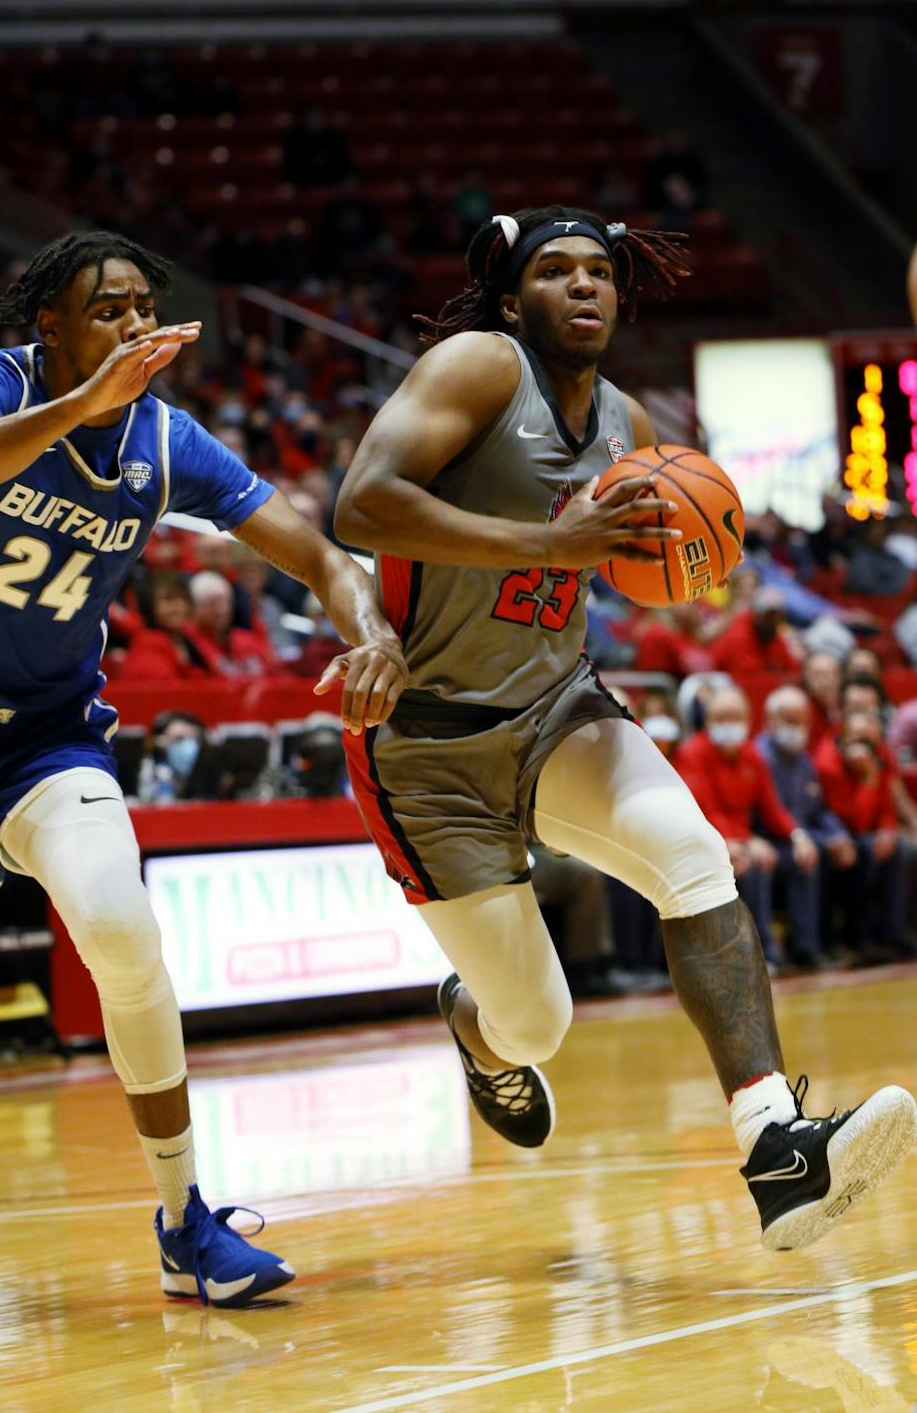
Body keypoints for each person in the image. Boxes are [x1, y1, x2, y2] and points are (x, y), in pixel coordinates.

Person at [334, 204, 916, 1251]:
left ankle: (775, 1145)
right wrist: (548, 548)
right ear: (514, 300)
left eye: (598, 270)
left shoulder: (629, 426)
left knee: (695, 858)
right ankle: (474, 1023)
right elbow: (363, 506)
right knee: (536, 1025)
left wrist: (681, 572)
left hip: (557, 709)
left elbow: (644, 572)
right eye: (554, 271)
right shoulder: (474, 366)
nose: (583, 285)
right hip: (428, 746)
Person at [0, 230, 408, 1307]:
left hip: (43, 734)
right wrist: (78, 407)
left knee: (122, 927)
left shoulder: (169, 440)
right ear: (50, 326)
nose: (136, 326)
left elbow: (322, 554)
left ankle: (185, 1221)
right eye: (109, 308)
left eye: (146, 306)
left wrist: (368, 629)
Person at [674, 685, 806, 965]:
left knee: (803, 857)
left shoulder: (751, 755)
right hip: (707, 842)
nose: (728, 724)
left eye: (735, 717)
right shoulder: (692, 753)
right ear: (707, 721)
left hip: (741, 840)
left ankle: (807, 947)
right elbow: (703, 812)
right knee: (753, 865)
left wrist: (798, 836)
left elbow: (772, 809)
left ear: (747, 720)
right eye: (721, 718)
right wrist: (741, 842)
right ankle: (758, 956)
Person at [755, 686, 855, 968]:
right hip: (770, 838)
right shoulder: (761, 756)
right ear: (769, 720)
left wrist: (837, 834)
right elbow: (770, 814)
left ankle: (837, 940)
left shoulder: (803, 760)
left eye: (800, 720)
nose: (795, 727)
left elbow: (818, 809)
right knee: (808, 858)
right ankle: (800, 947)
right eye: (788, 719)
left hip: (801, 836)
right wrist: (807, 838)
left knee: (842, 849)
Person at [815, 711, 910, 958]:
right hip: (839, 832)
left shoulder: (882, 757)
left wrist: (888, 831)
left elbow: (886, 806)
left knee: (901, 850)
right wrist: (868, 777)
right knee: (864, 851)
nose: (862, 748)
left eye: (868, 742)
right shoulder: (829, 763)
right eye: (856, 740)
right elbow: (855, 820)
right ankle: (858, 937)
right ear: (844, 737)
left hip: (868, 832)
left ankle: (892, 933)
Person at [709, 585, 803, 674]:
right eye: (769, 615)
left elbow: (792, 669)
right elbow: (750, 678)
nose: (774, 620)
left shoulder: (770, 634)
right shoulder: (739, 635)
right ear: (756, 614)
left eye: (779, 616)